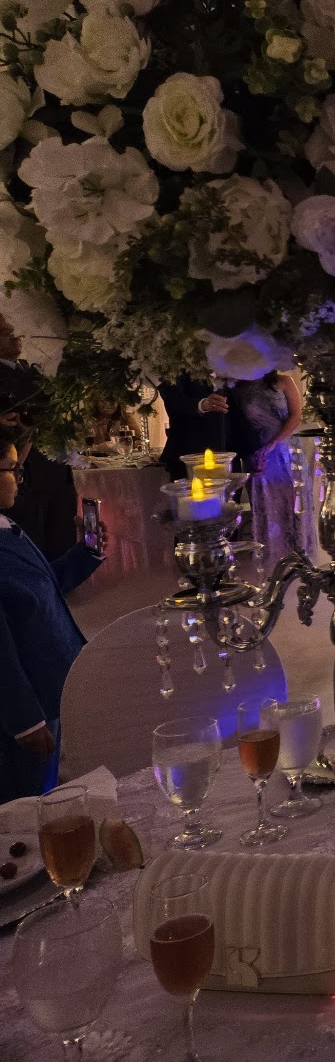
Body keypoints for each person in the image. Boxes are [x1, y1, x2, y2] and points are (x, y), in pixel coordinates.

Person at [0, 428, 103, 802]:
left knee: (46, 786)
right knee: (24, 800)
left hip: (49, 685)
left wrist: (86, 553)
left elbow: (41, 588)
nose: (20, 479)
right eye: (12, 469)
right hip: (28, 700)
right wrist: (24, 720)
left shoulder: (7, 527)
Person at [0, 314, 79, 561]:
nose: (15, 336)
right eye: (5, 332)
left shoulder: (33, 370)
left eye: (13, 330)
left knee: (62, 542)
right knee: (32, 548)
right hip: (23, 474)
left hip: (55, 470)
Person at [234, 371, 315, 562]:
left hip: (288, 450)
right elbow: (239, 427)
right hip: (258, 453)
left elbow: (296, 416)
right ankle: (272, 558)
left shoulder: (284, 381)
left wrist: (274, 443)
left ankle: (300, 555)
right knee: (267, 505)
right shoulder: (239, 388)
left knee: (294, 502)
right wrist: (253, 453)